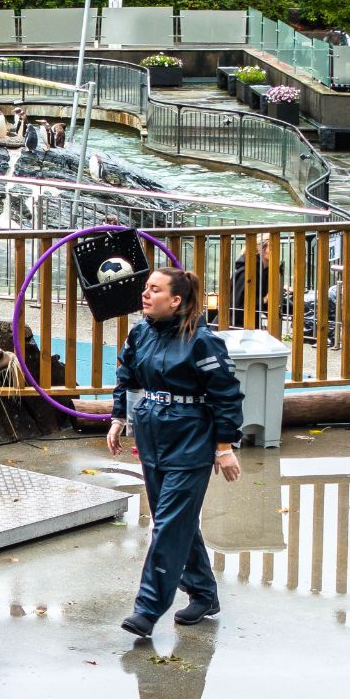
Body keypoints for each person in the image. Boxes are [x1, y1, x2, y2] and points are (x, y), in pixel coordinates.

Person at [107, 267, 244, 639]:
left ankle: (147, 610)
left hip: (190, 437)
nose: (145, 295)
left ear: (176, 300)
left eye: (155, 290)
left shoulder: (202, 341)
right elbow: (128, 376)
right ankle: (203, 593)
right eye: (146, 288)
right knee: (176, 523)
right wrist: (119, 417)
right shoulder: (141, 332)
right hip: (153, 435)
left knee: (167, 525)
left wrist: (224, 447)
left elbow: (226, 394)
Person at [231, 238, 282, 328]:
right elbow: (236, 306)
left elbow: (269, 302)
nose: (277, 251)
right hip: (234, 328)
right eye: (273, 247)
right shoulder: (246, 272)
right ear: (262, 249)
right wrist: (264, 300)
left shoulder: (266, 272)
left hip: (249, 326)